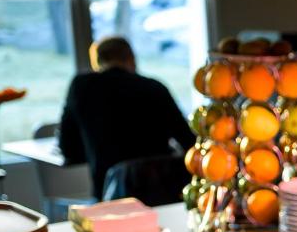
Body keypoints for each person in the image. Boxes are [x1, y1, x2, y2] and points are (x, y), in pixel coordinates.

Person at [59, 36, 195, 199]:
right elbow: (188, 140)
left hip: (110, 191)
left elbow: (68, 147)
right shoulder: (154, 88)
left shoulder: (81, 87)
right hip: (160, 190)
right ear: (131, 58)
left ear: (97, 62)